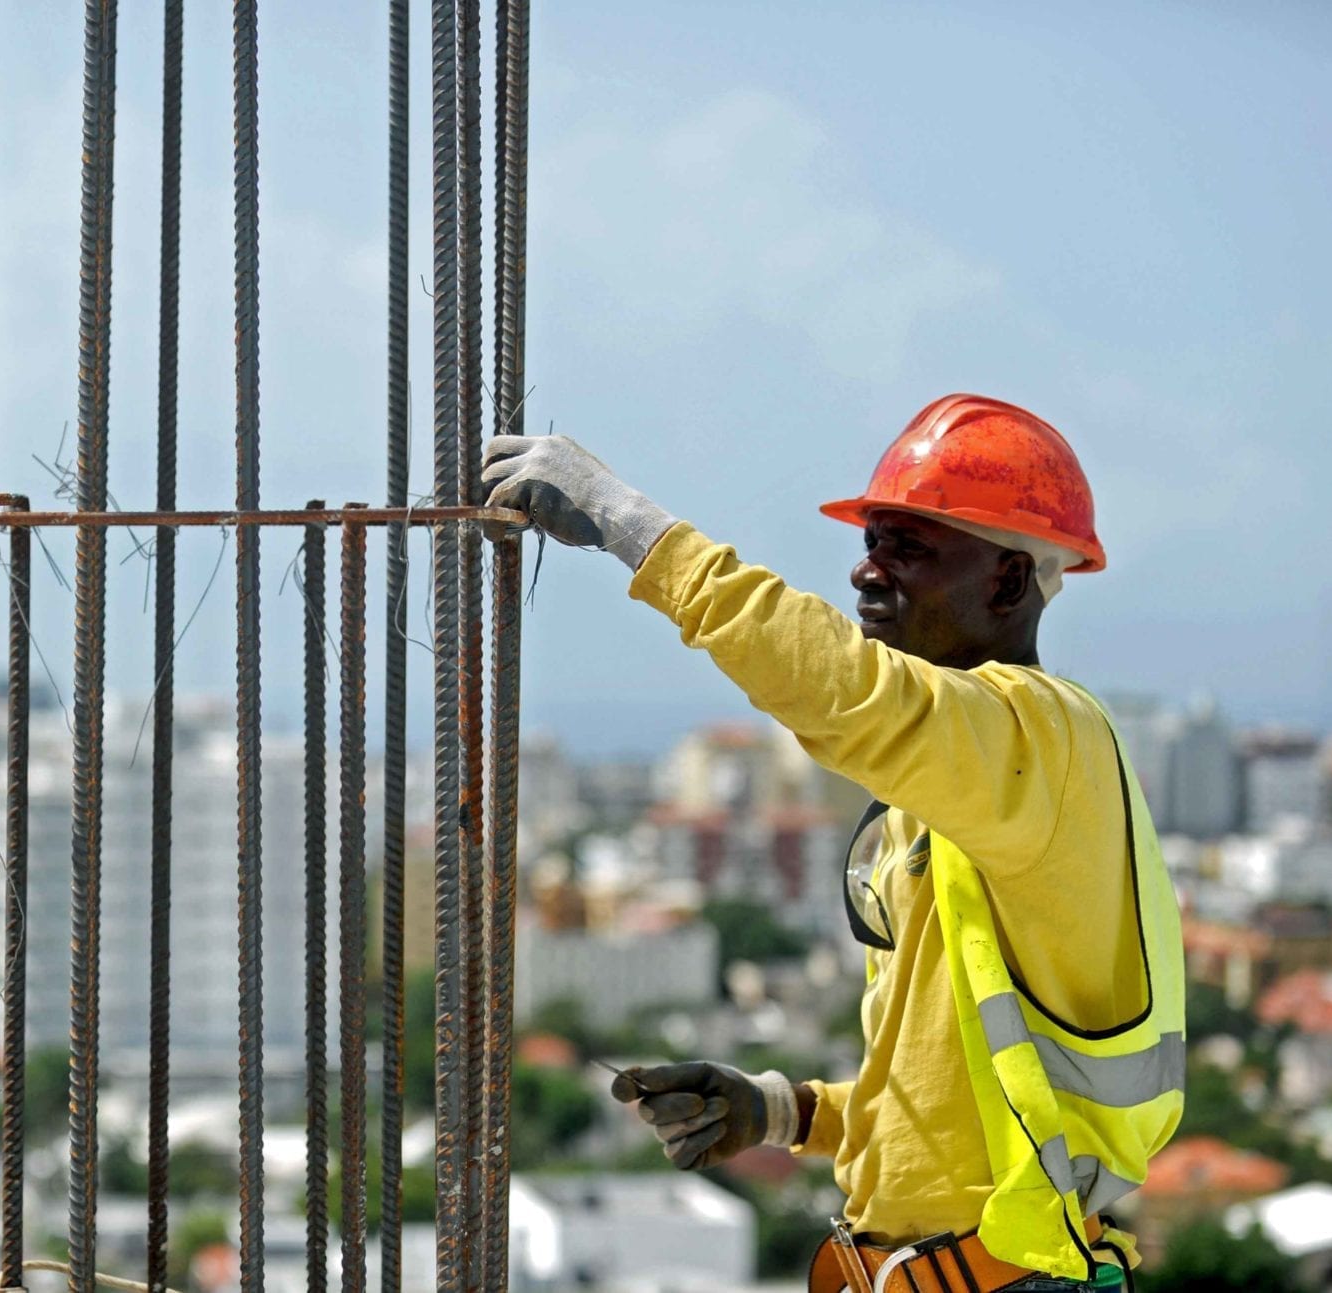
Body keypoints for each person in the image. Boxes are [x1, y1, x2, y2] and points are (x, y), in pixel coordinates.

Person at [481, 395, 1184, 1293]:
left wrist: (631, 526)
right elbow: (942, 1110)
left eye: (910, 547)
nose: (867, 572)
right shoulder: (954, 793)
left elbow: (842, 691)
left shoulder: (1046, 740)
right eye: (871, 540)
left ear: (1008, 582)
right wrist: (780, 1111)